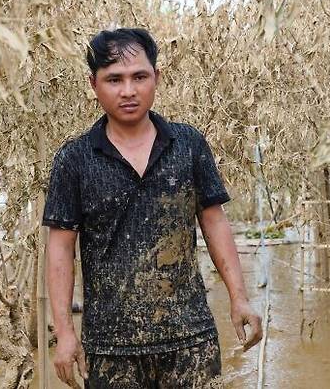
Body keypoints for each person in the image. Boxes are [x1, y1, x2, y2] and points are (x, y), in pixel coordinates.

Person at [43, 27, 262, 388]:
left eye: (139, 77)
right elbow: (61, 248)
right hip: (111, 349)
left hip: (191, 341)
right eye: (114, 79)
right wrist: (65, 332)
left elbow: (214, 221)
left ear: (156, 78)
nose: (128, 91)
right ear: (93, 84)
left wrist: (239, 299)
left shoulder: (188, 144)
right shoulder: (75, 159)